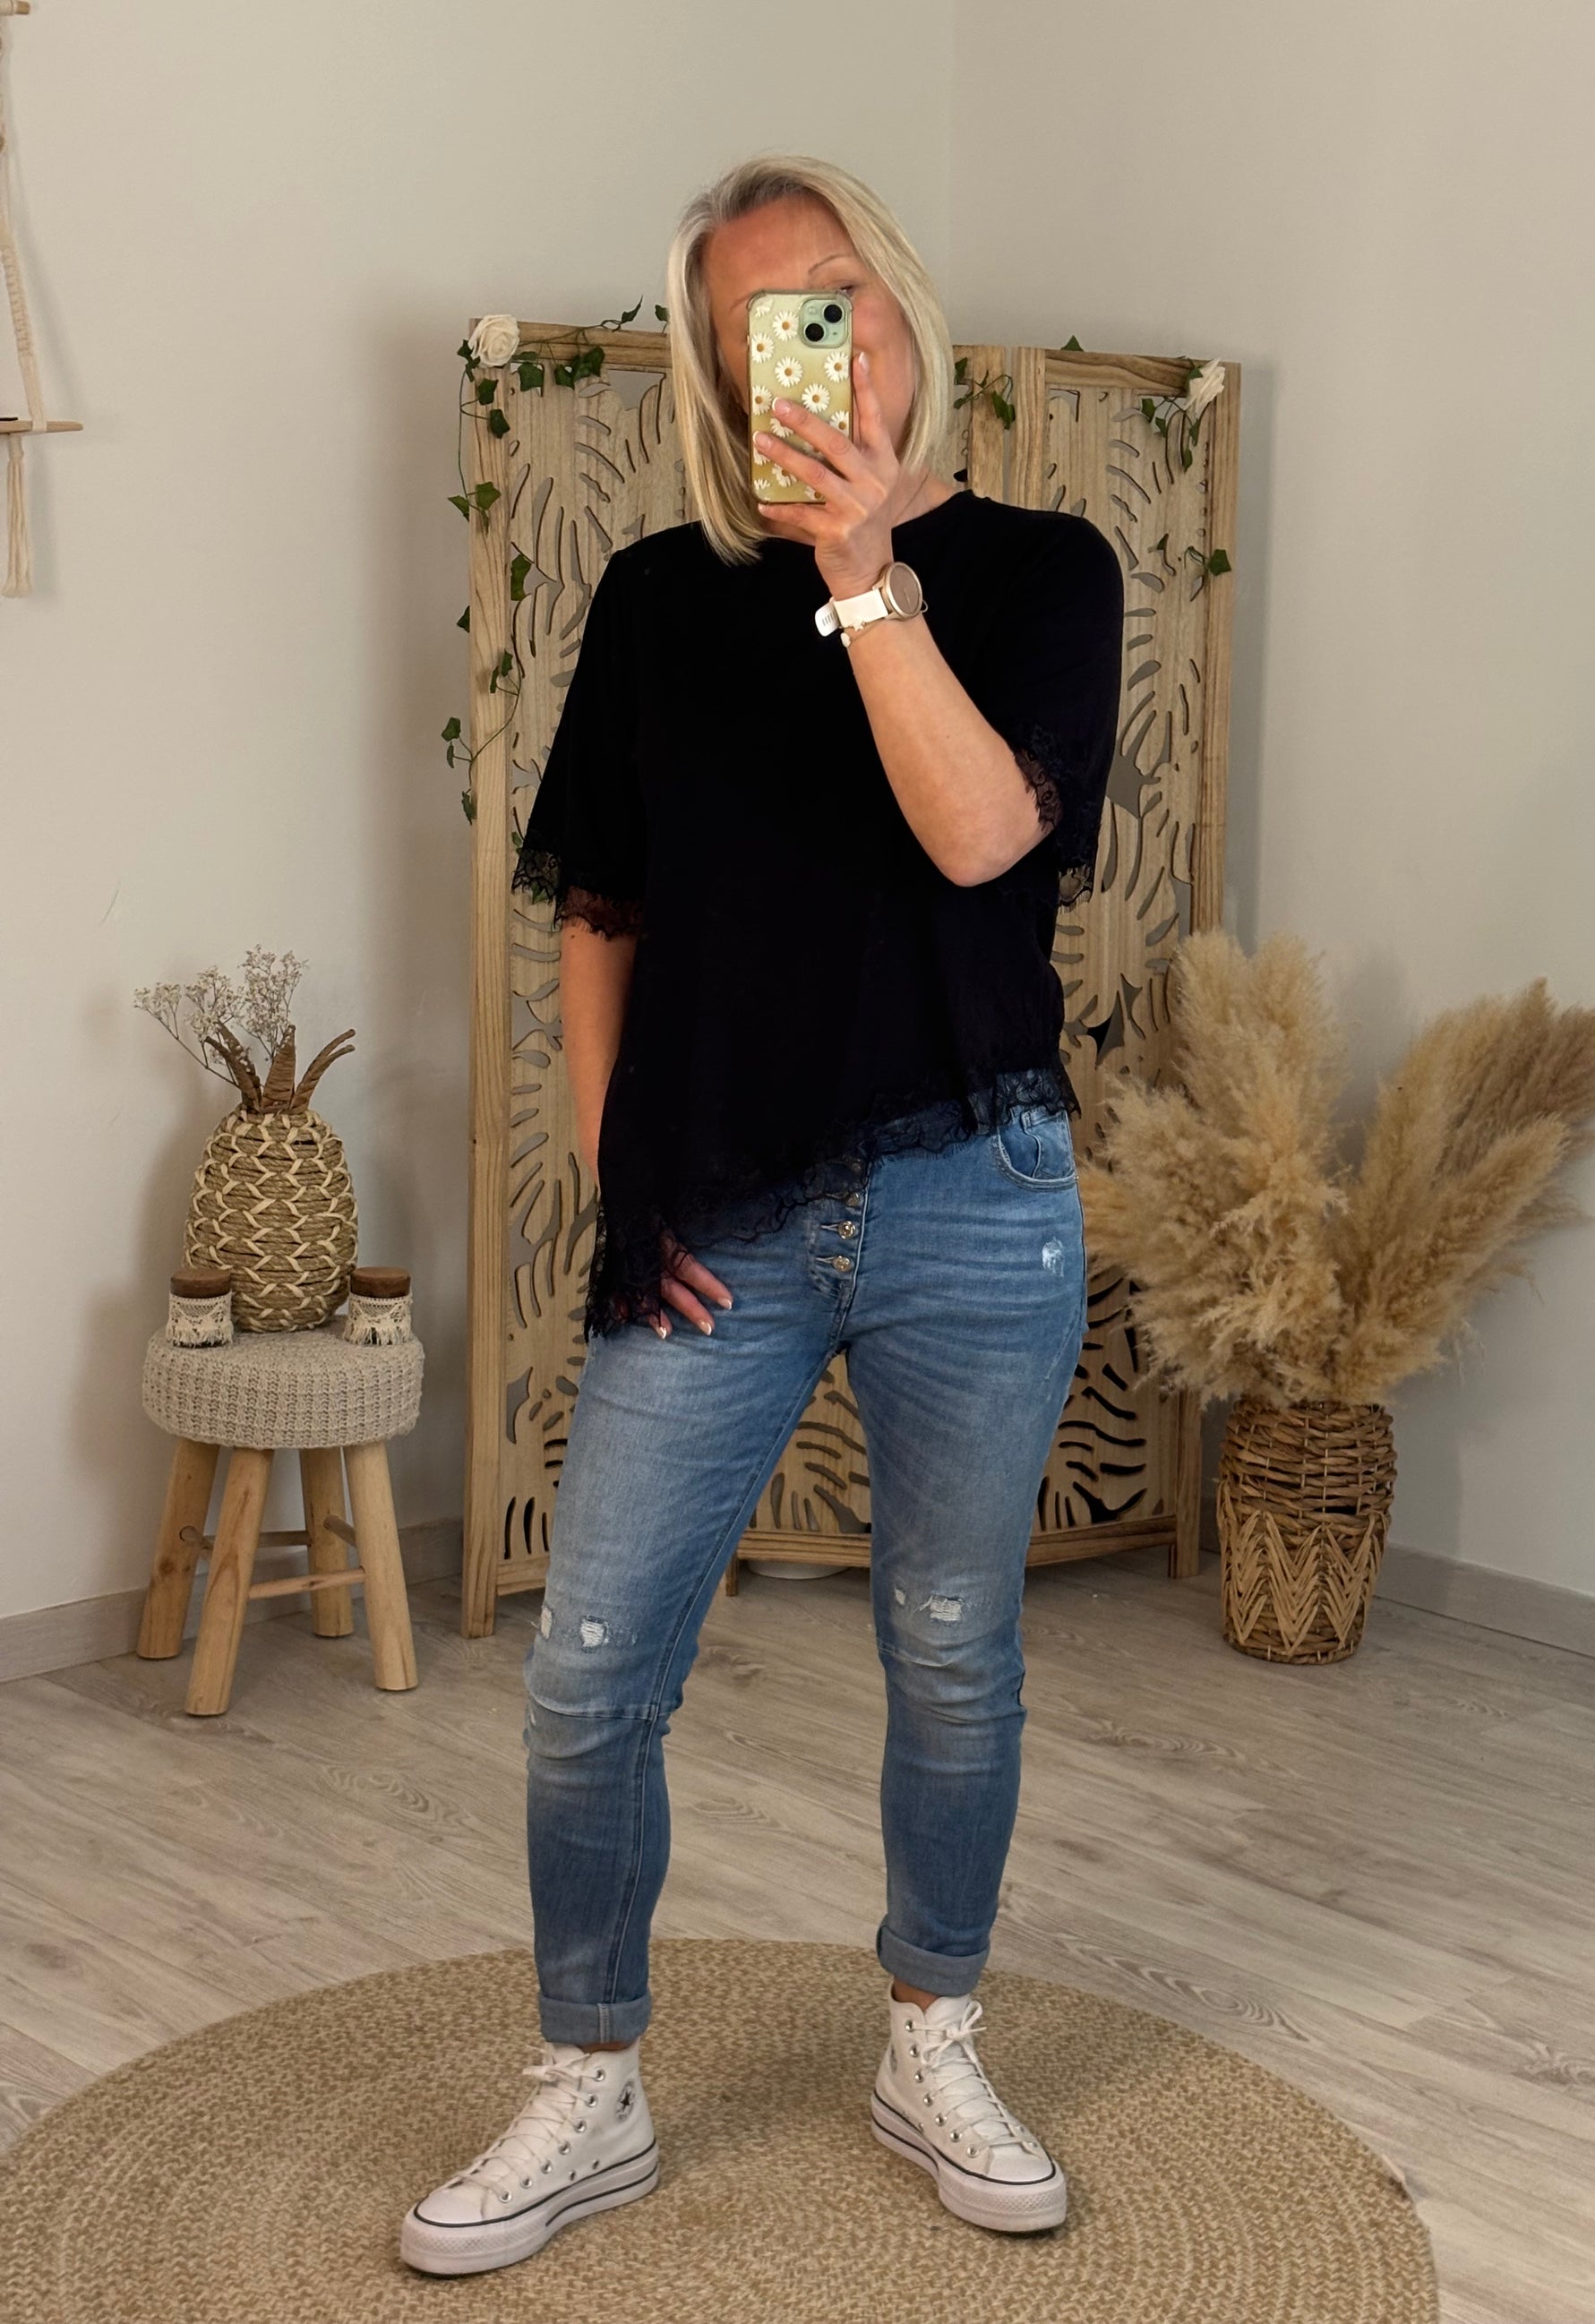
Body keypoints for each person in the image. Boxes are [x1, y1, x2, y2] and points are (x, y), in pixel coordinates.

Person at [402, 150, 1124, 2277]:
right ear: (725, 379)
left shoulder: (1043, 569)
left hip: (976, 1197)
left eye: (831, 295)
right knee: (589, 1668)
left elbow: (980, 835)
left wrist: (863, 575)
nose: (809, 343)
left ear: (899, 306)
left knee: (951, 1648)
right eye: (754, 327)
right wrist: (622, 1168)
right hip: (717, 1210)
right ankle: (592, 2075)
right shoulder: (652, 599)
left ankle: (930, 2035)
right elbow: (601, 908)